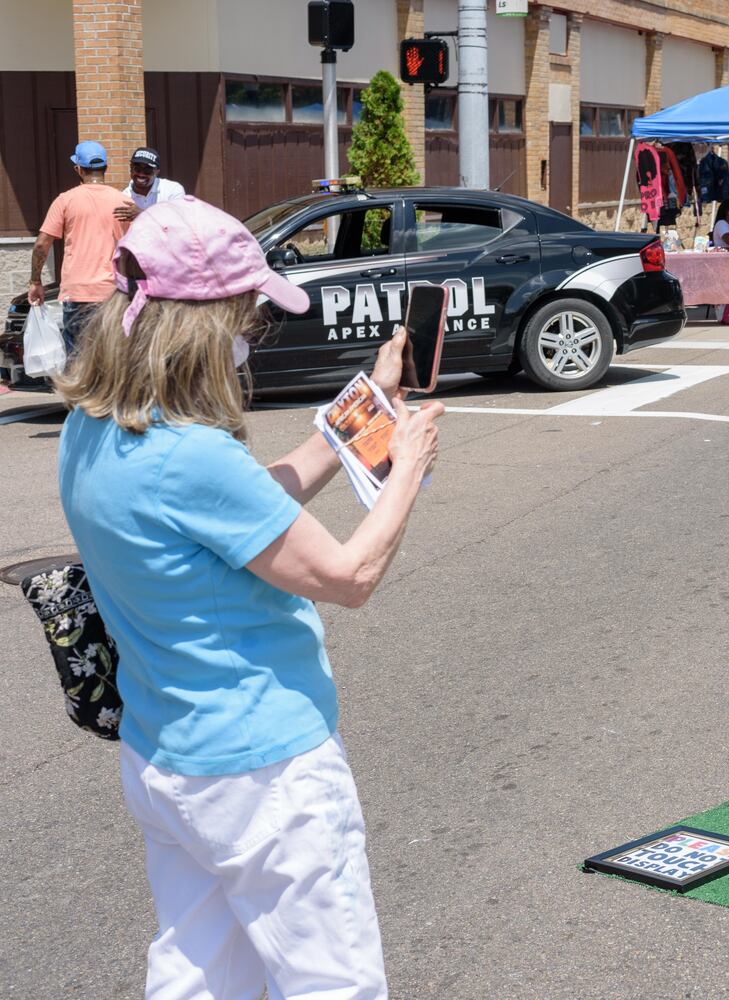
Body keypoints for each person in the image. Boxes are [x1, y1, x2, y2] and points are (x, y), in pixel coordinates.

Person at [54, 196, 444, 998]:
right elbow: (349, 577)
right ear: (207, 324)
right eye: (248, 315)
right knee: (332, 981)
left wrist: (366, 402)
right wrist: (406, 468)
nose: (252, 334)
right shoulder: (190, 455)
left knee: (201, 970)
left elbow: (250, 506)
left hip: (168, 754)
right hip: (263, 772)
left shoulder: (95, 430)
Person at [28, 141, 132, 353]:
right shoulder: (124, 202)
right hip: (112, 294)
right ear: (105, 168)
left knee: (77, 362)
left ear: (79, 169)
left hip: (77, 293)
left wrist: (35, 281)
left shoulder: (66, 200)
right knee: (111, 359)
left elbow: (41, 244)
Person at [118, 146, 186, 219]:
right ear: (131, 168)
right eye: (137, 169)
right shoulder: (123, 198)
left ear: (157, 172)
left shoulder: (172, 190)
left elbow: (178, 222)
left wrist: (142, 214)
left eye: (147, 171)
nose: (141, 174)